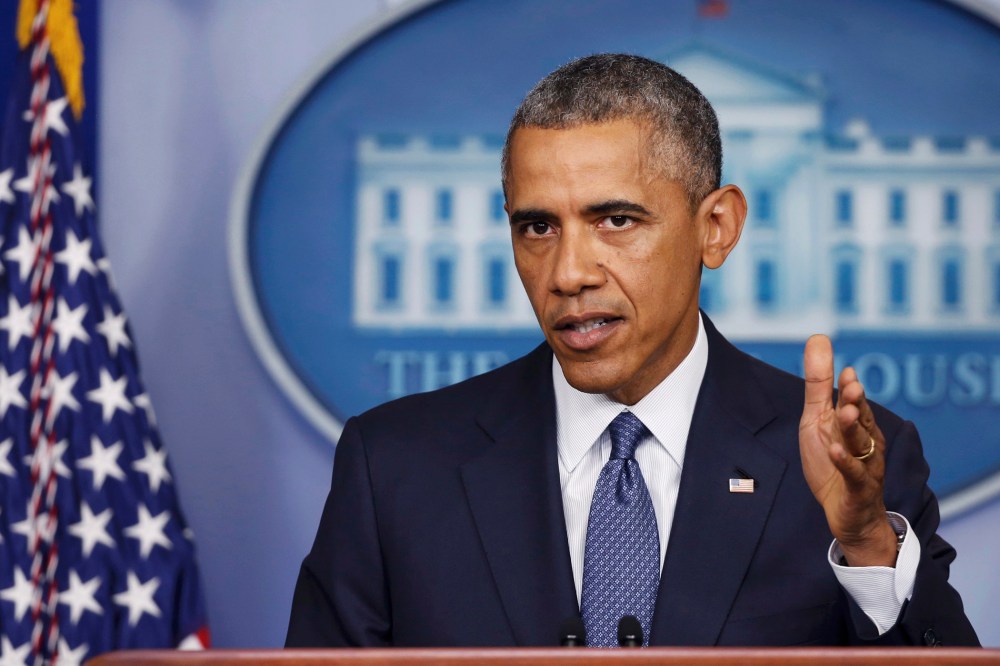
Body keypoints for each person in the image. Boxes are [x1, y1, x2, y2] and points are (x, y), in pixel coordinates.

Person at [285, 54, 979, 648]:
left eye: (615, 220)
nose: (567, 274)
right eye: (537, 228)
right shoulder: (394, 467)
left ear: (716, 227)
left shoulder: (853, 467)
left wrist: (867, 545)